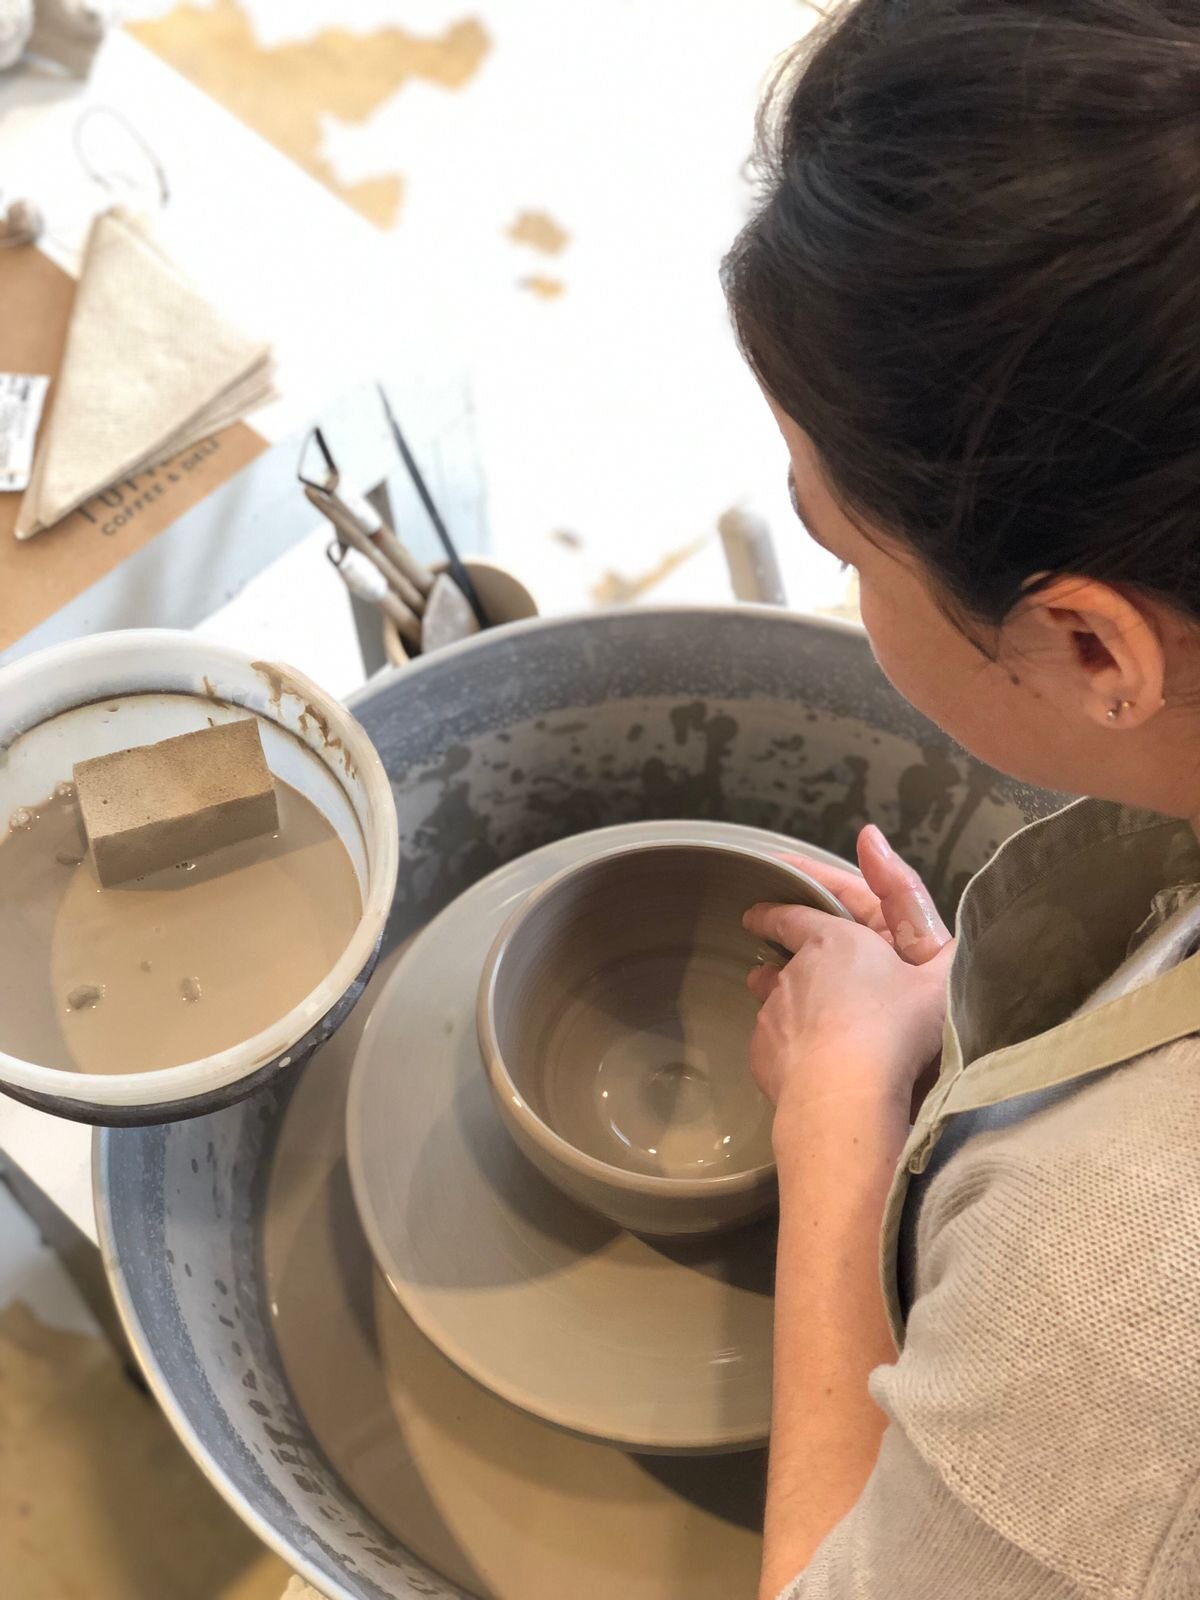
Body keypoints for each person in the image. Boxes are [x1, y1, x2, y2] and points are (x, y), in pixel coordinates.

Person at [721, 2, 1200, 1596]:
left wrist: (840, 1122)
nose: (835, 577)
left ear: (1085, 641)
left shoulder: (1117, 1275)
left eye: (845, 544)